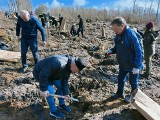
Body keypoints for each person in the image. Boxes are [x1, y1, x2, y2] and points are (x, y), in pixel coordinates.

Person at [32, 54, 86, 119]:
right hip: (40, 73)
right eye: (77, 70)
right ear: (74, 66)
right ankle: (53, 111)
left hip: (54, 73)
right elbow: (43, 74)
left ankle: (61, 104)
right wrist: (43, 89)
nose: (76, 72)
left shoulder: (69, 66)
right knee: (50, 91)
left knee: (61, 87)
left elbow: (64, 81)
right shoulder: (59, 63)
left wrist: (66, 94)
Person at [105, 17, 143, 100]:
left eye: (116, 29)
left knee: (133, 82)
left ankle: (132, 97)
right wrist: (111, 50)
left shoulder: (131, 34)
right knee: (120, 79)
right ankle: (119, 93)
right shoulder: (118, 35)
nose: (115, 31)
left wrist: (137, 66)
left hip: (133, 64)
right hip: (123, 63)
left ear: (122, 26)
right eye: (113, 29)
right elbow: (117, 47)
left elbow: (139, 51)